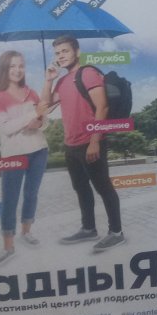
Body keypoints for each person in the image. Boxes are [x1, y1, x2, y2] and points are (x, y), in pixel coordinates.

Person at [42, 35, 124, 253]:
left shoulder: (87, 74)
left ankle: (116, 232)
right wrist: (49, 80)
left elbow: (102, 107)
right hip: (71, 145)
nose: (61, 56)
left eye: (65, 51)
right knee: (81, 188)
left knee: (103, 187)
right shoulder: (61, 81)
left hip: (90, 141)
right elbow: (44, 106)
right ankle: (88, 228)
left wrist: (95, 141)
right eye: (57, 53)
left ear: (77, 52)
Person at [0, 50, 48, 264]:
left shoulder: (32, 93)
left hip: (39, 150)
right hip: (13, 155)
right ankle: (8, 247)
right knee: (10, 200)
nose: (17, 70)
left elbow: (44, 122)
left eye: (21, 65)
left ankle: (26, 231)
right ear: (4, 69)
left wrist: (38, 122)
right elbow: (7, 128)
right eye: (12, 66)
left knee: (31, 194)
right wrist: (32, 115)